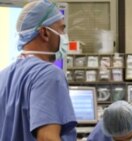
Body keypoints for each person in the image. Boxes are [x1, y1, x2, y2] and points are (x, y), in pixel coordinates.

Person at [0, 0, 77, 141]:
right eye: (61, 29)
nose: (64, 36)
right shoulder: (48, 75)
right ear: (45, 33)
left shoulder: (3, 76)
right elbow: (47, 138)